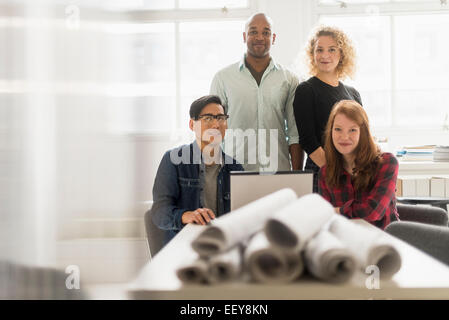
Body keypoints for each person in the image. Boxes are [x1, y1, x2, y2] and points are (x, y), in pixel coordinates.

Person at [210, 12, 303, 172]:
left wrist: (296, 176)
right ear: (244, 36)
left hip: (278, 171)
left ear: (273, 38)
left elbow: (295, 133)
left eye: (266, 32)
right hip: (235, 172)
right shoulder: (222, 78)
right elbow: (214, 130)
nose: (260, 37)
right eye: (253, 32)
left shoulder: (289, 79)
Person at [149, 95, 244, 245]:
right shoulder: (174, 160)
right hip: (185, 246)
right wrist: (185, 216)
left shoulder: (235, 167)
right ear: (192, 125)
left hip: (224, 245)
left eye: (220, 118)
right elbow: (159, 212)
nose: (216, 124)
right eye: (208, 118)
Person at [293, 25, 362, 191]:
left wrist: (356, 170)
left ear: (342, 54)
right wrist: (337, 172)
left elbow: (361, 137)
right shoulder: (306, 90)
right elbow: (308, 141)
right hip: (323, 170)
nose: (325, 55)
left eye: (332, 50)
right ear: (312, 54)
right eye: (319, 50)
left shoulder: (353, 93)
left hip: (352, 170)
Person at [318, 100, 399, 230]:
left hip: (385, 243)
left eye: (352, 130)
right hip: (346, 242)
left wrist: (338, 211)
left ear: (363, 133)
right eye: (338, 129)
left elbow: (373, 212)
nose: (344, 137)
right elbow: (325, 220)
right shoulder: (325, 172)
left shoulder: (387, 163)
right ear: (331, 131)